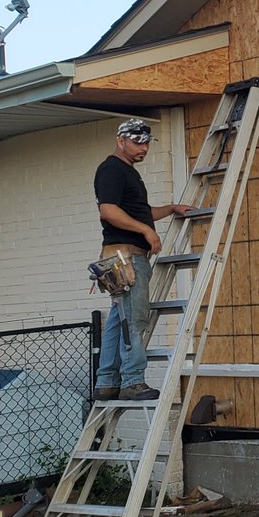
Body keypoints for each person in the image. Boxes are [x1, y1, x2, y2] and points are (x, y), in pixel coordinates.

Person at [93, 118, 192, 401]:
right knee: (134, 321)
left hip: (121, 256)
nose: (143, 148)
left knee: (118, 320)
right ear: (120, 140)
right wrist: (146, 231)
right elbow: (109, 211)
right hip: (126, 258)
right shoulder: (112, 169)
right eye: (137, 141)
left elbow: (139, 211)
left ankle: (107, 383)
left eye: (146, 142)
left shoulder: (128, 172)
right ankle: (133, 381)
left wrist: (171, 208)